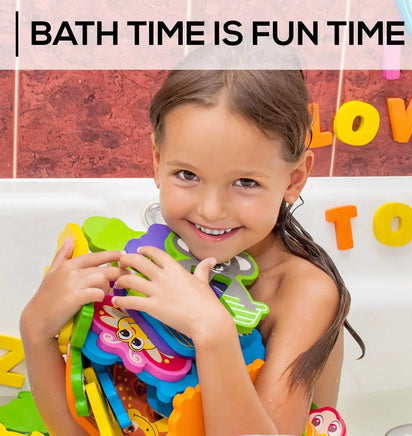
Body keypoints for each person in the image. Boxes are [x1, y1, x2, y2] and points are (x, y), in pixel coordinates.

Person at [20, 66, 364, 436]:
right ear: (156, 159)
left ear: (293, 180)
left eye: (246, 182)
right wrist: (36, 331)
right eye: (187, 175)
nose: (211, 210)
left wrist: (213, 333)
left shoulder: (303, 293)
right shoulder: (153, 259)